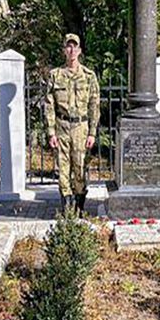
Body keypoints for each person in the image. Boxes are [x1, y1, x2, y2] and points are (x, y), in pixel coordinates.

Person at [45, 33, 100, 215]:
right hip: (62, 126)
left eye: (74, 46)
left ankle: (79, 206)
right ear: (64, 50)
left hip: (81, 128)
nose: (71, 50)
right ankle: (67, 208)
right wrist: (51, 132)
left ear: (80, 50)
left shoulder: (89, 76)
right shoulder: (55, 75)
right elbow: (49, 105)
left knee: (80, 168)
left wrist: (92, 132)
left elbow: (94, 105)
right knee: (63, 168)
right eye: (68, 46)